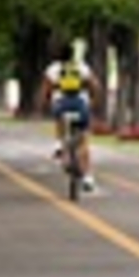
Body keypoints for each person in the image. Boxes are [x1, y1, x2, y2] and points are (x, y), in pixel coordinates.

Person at [41, 43, 101, 191]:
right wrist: (93, 101)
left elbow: (46, 90)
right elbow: (94, 85)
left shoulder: (53, 69)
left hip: (61, 103)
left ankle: (59, 144)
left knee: (59, 117)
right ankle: (87, 178)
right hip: (80, 103)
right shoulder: (81, 67)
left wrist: (45, 103)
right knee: (83, 142)